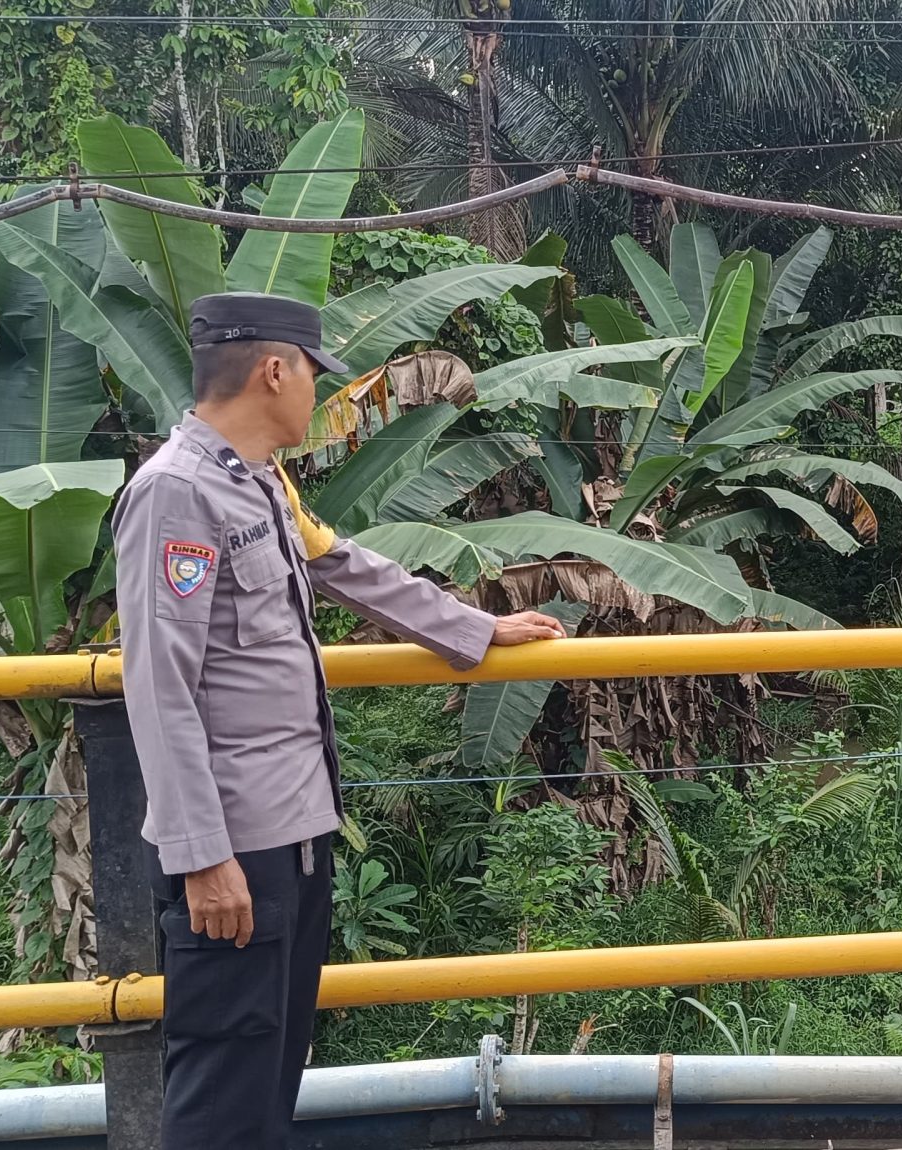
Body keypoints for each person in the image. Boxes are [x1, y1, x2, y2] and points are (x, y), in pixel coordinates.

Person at [111, 292, 567, 1149]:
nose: (318, 392)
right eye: (313, 374)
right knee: (222, 1098)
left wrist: (475, 629)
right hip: (235, 850)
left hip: (294, 832)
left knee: (269, 1080)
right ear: (273, 371)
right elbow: (160, 686)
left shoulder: (258, 482)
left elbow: (345, 566)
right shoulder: (176, 493)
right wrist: (202, 855)